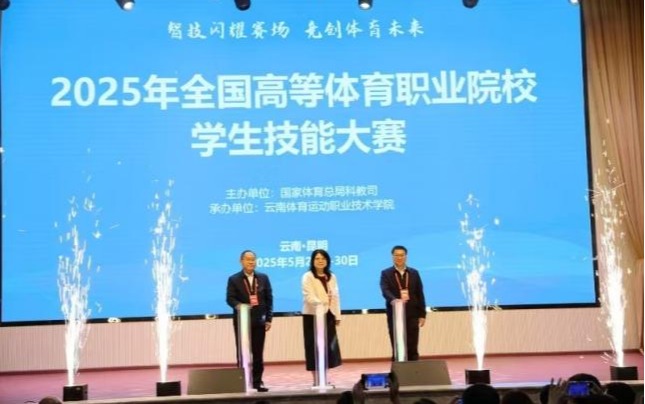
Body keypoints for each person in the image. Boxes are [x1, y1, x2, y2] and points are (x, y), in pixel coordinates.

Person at [226, 250, 273, 392]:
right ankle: (243, 381)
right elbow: (230, 298)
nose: (251, 262)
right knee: (243, 353)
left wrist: (269, 318)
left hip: (259, 321)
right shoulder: (234, 279)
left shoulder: (263, 278)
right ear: (241, 261)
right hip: (242, 322)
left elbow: (269, 299)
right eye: (247, 259)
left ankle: (257, 382)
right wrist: (240, 306)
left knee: (258, 354)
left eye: (253, 259)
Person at [380, 245, 427, 361]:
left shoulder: (414, 273)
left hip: (412, 313)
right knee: (397, 343)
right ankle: (398, 369)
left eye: (402, 255)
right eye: (396, 255)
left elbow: (419, 293)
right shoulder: (386, 273)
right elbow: (385, 290)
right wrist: (394, 300)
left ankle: (413, 369)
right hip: (395, 314)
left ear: (406, 256)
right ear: (392, 257)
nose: (399, 258)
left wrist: (422, 314)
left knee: (412, 344)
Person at [302, 249, 342, 384]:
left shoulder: (332, 276)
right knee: (313, 348)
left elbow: (336, 296)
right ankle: (316, 380)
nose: (320, 261)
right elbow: (308, 295)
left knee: (327, 347)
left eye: (323, 258)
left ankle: (324, 378)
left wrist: (337, 315)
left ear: (327, 261)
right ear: (312, 261)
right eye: (317, 258)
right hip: (312, 316)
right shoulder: (308, 276)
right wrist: (320, 304)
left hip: (329, 315)